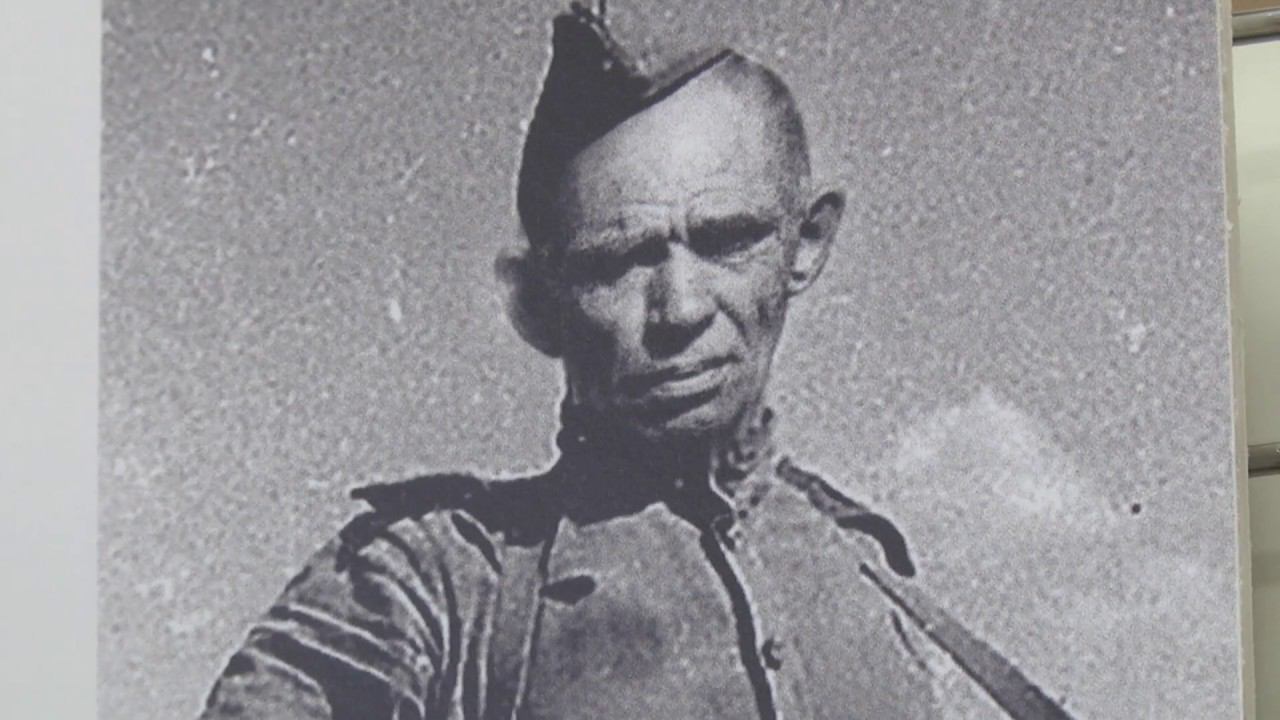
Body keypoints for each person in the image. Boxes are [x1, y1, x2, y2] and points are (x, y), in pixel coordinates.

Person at [200, 4, 1072, 719]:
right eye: (617, 262)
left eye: (727, 240)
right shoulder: (430, 583)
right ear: (537, 304)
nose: (680, 309)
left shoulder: (865, 567)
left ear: (806, 244)